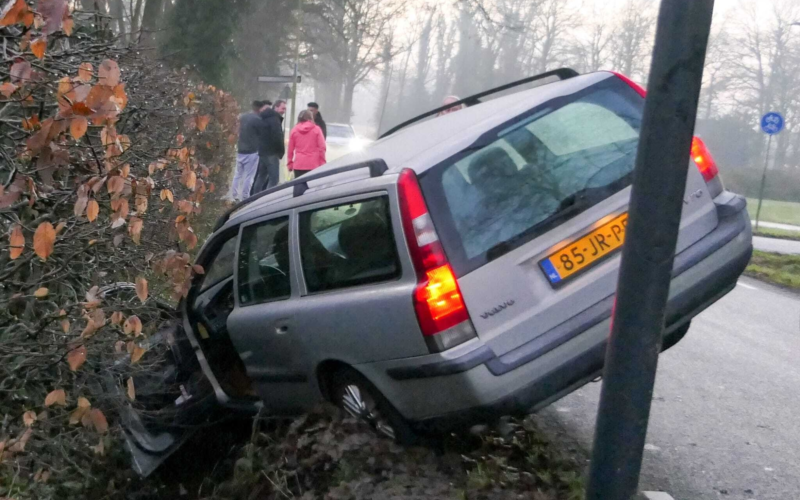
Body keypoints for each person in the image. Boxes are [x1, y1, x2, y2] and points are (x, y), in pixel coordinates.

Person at [231, 100, 269, 201]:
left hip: (240, 150)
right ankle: (245, 196)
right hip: (252, 151)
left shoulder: (242, 117)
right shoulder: (258, 120)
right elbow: (263, 135)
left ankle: (234, 195)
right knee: (249, 176)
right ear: (260, 109)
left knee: (238, 174)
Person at [251, 99, 287, 194]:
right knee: (274, 179)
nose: (284, 110)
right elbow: (277, 136)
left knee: (261, 176)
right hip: (272, 152)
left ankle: (254, 198)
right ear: (276, 107)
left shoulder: (263, 117)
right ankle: (267, 200)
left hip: (263, 151)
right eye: (283, 108)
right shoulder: (274, 119)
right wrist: (281, 152)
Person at [287, 110, 326, 178]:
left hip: (299, 164)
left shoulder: (294, 130)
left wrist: (290, 163)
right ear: (311, 118)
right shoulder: (317, 129)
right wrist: (322, 162)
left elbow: (290, 149)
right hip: (313, 164)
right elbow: (322, 147)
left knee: (299, 186)